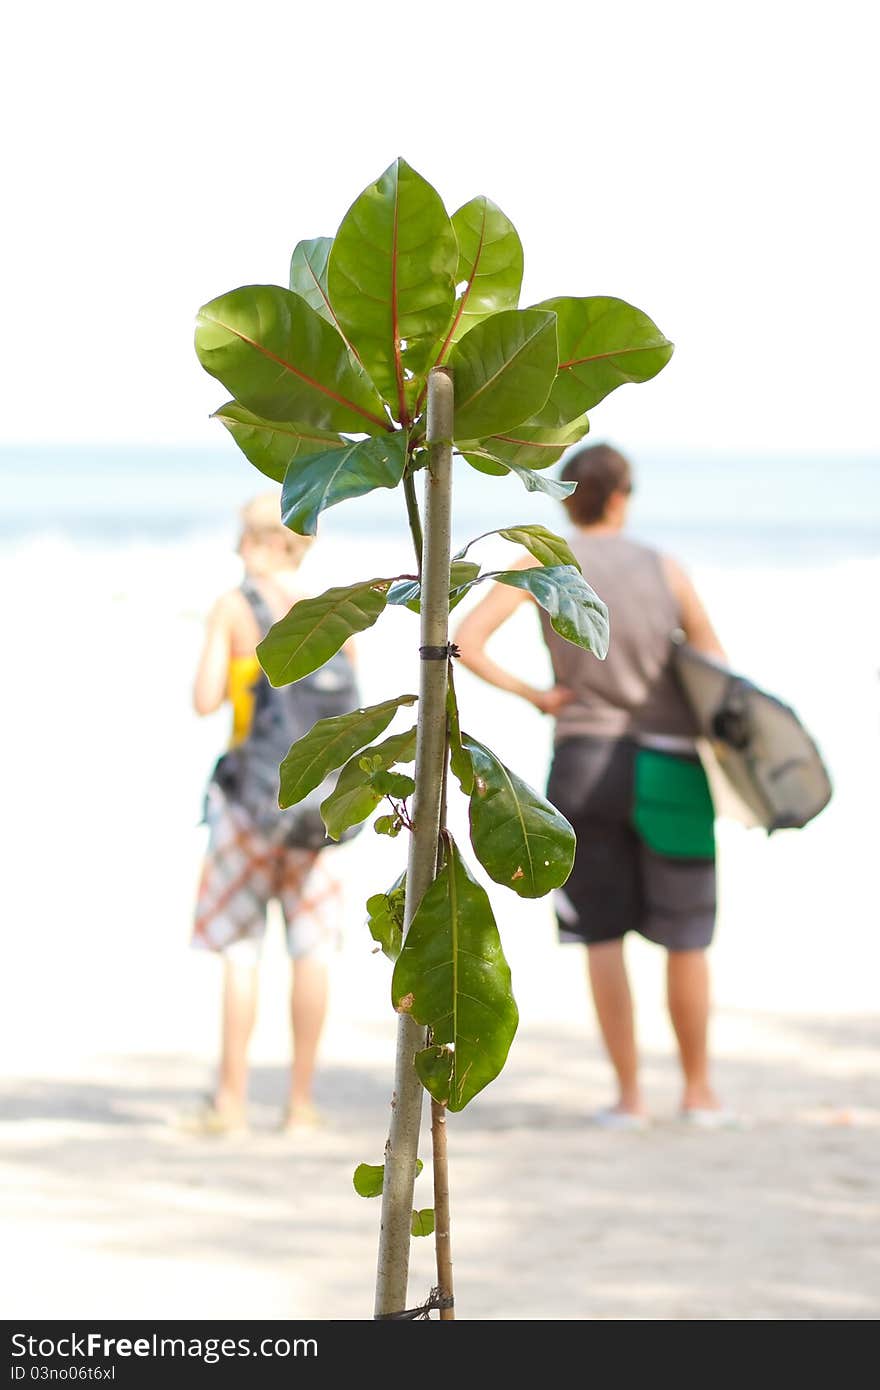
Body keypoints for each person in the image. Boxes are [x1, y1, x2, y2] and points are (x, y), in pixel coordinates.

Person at [454, 443, 731, 1129]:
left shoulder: (544, 560)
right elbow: (717, 665)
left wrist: (538, 696)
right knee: (687, 935)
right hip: (671, 767)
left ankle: (630, 1099)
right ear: (622, 495)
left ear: (570, 498)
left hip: (582, 762)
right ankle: (697, 1095)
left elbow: (464, 640)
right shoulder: (665, 568)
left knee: (602, 936)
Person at [189, 492, 355, 1134]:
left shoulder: (236, 607)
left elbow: (204, 699)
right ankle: (301, 1103)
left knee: (241, 951)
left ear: (261, 543)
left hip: (248, 804)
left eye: (242, 539)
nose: (236, 551)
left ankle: (231, 1102)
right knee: (311, 951)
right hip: (318, 808)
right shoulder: (331, 614)